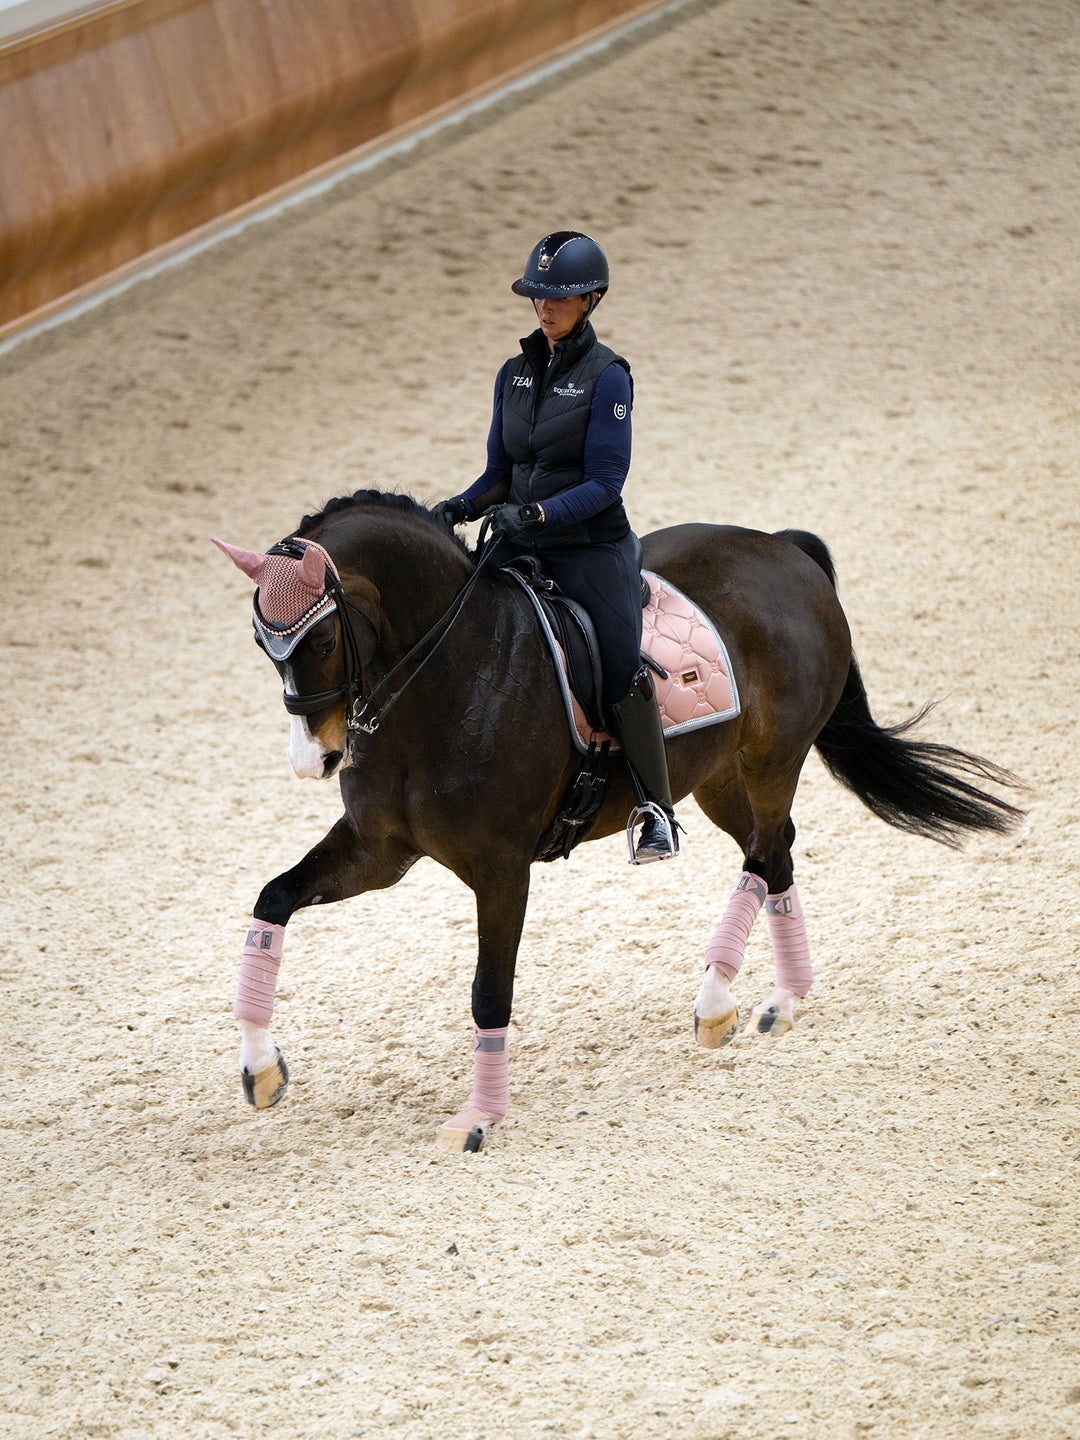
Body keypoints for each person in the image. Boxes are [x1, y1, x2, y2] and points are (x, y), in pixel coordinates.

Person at [432, 230, 678, 862]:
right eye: (537, 295)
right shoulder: (512, 375)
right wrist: (461, 505)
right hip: (519, 538)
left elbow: (605, 483)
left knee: (622, 663)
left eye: (558, 297)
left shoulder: (609, 378)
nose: (543, 306)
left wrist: (537, 512)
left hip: (590, 548)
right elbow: (498, 473)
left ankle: (655, 807)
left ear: (591, 299)